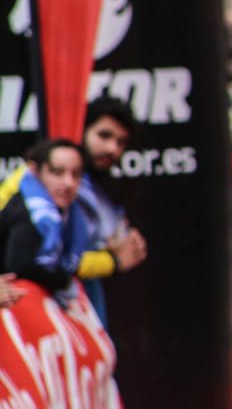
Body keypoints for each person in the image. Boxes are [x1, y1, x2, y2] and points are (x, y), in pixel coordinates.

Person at [77, 96, 149, 324]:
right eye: (104, 135)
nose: (112, 148)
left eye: (121, 142)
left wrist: (116, 249)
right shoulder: (55, 185)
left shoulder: (100, 187)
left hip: (86, 301)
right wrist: (114, 259)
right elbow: (54, 261)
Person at [0, 139, 88, 307]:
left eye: (76, 174)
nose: (68, 183)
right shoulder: (27, 210)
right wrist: (63, 281)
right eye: (57, 172)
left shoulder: (74, 215)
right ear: (34, 170)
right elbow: (20, 267)